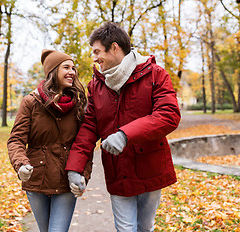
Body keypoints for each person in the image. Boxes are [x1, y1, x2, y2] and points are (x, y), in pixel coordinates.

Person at [65, 22, 181, 232]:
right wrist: (75, 167)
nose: (94, 57)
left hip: (150, 167)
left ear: (115, 47)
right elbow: (89, 128)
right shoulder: (96, 85)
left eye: (97, 51)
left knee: (145, 228)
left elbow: (168, 114)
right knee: (126, 229)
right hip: (119, 172)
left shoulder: (155, 74)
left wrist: (125, 135)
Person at [7, 49, 92, 232]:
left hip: (66, 180)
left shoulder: (78, 105)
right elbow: (16, 140)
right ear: (53, 71)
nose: (72, 72)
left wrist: (83, 174)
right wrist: (21, 164)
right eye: (66, 67)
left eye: (73, 68)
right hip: (37, 179)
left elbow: (85, 143)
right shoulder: (31, 102)